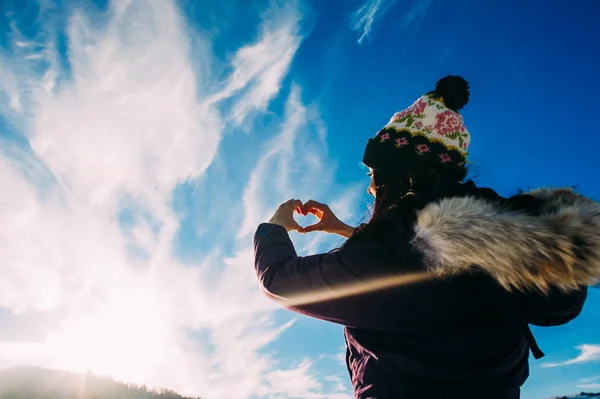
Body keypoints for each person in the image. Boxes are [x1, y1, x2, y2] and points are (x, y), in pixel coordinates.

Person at [253, 76, 599, 399]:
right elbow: (422, 268)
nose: (372, 186)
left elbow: (281, 282)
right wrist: (343, 229)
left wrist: (274, 228)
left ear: (398, 175)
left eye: (375, 174)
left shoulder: (400, 255)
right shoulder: (502, 238)